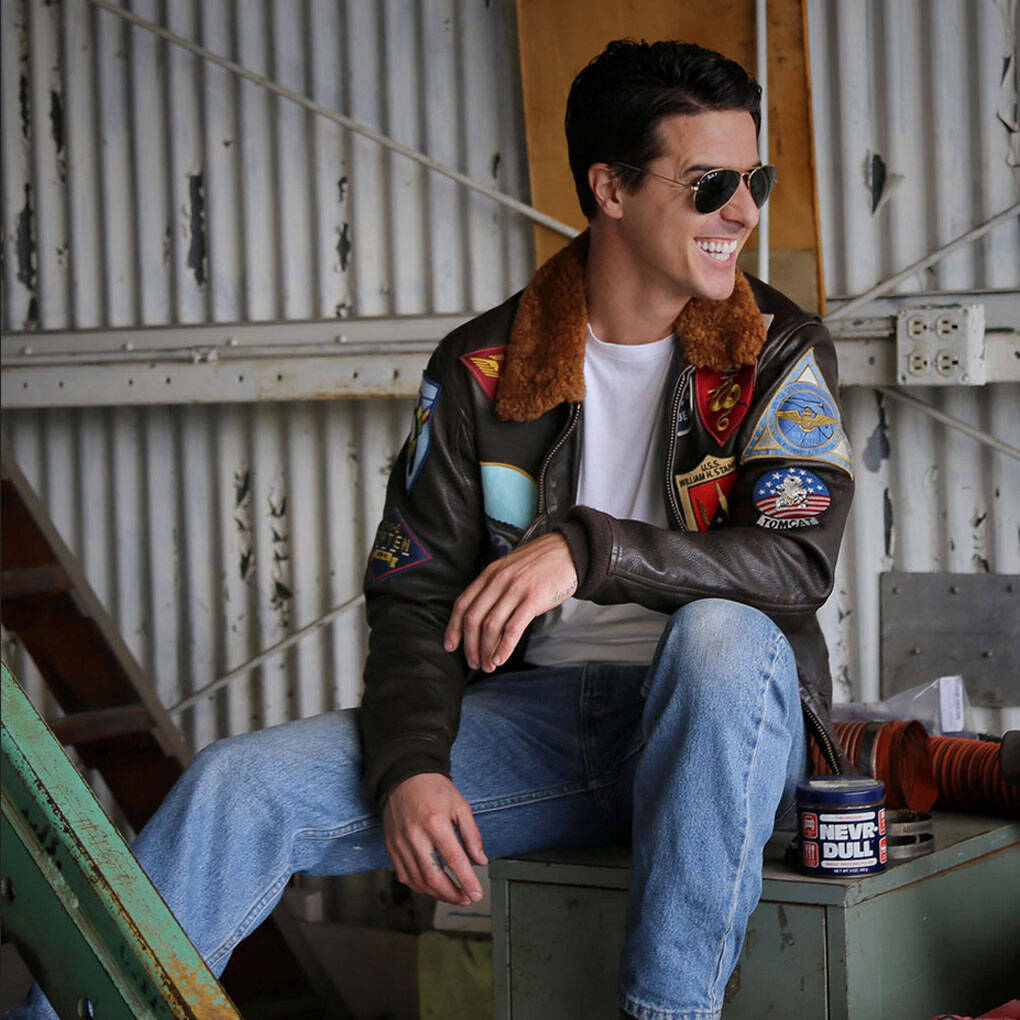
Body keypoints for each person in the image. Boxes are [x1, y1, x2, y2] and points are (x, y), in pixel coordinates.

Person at [10, 39, 853, 1020]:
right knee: (235, 787)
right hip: (547, 729)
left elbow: (795, 562)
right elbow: (414, 596)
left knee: (716, 635)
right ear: (610, 189)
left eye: (756, 180)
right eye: (712, 184)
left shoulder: (777, 349)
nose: (744, 211)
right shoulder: (482, 366)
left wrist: (587, 550)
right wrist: (410, 765)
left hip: (732, 728)